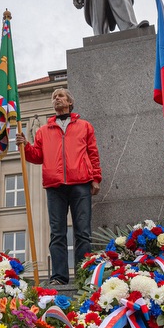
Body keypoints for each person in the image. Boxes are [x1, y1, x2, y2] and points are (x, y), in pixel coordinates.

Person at [15, 88, 101, 285]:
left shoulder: (84, 126)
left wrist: (96, 178)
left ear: (70, 102)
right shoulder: (44, 131)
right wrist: (25, 146)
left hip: (80, 182)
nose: (57, 99)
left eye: (60, 96)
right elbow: (37, 156)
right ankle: (59, 277)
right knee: (57, 233)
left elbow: (93, 153)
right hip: (54, 185)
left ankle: (83, 276)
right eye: (54, 97)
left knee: (83, 232)